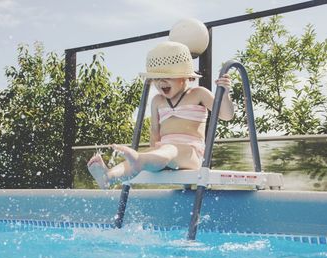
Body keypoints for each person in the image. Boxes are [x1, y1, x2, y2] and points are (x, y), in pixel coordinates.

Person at [87, 41, 234, 189]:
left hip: (191, 153)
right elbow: (154, 131)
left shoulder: (198, 94)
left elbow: (226, 115)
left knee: (168, 150)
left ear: (184, 77)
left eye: (167, 77)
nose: (160, 82)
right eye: (156, 78)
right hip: (163, 152)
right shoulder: (158, 101)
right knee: (142, 158)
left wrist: (226, 94)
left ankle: (139, 161)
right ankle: (109, 177)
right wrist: (153, 152)